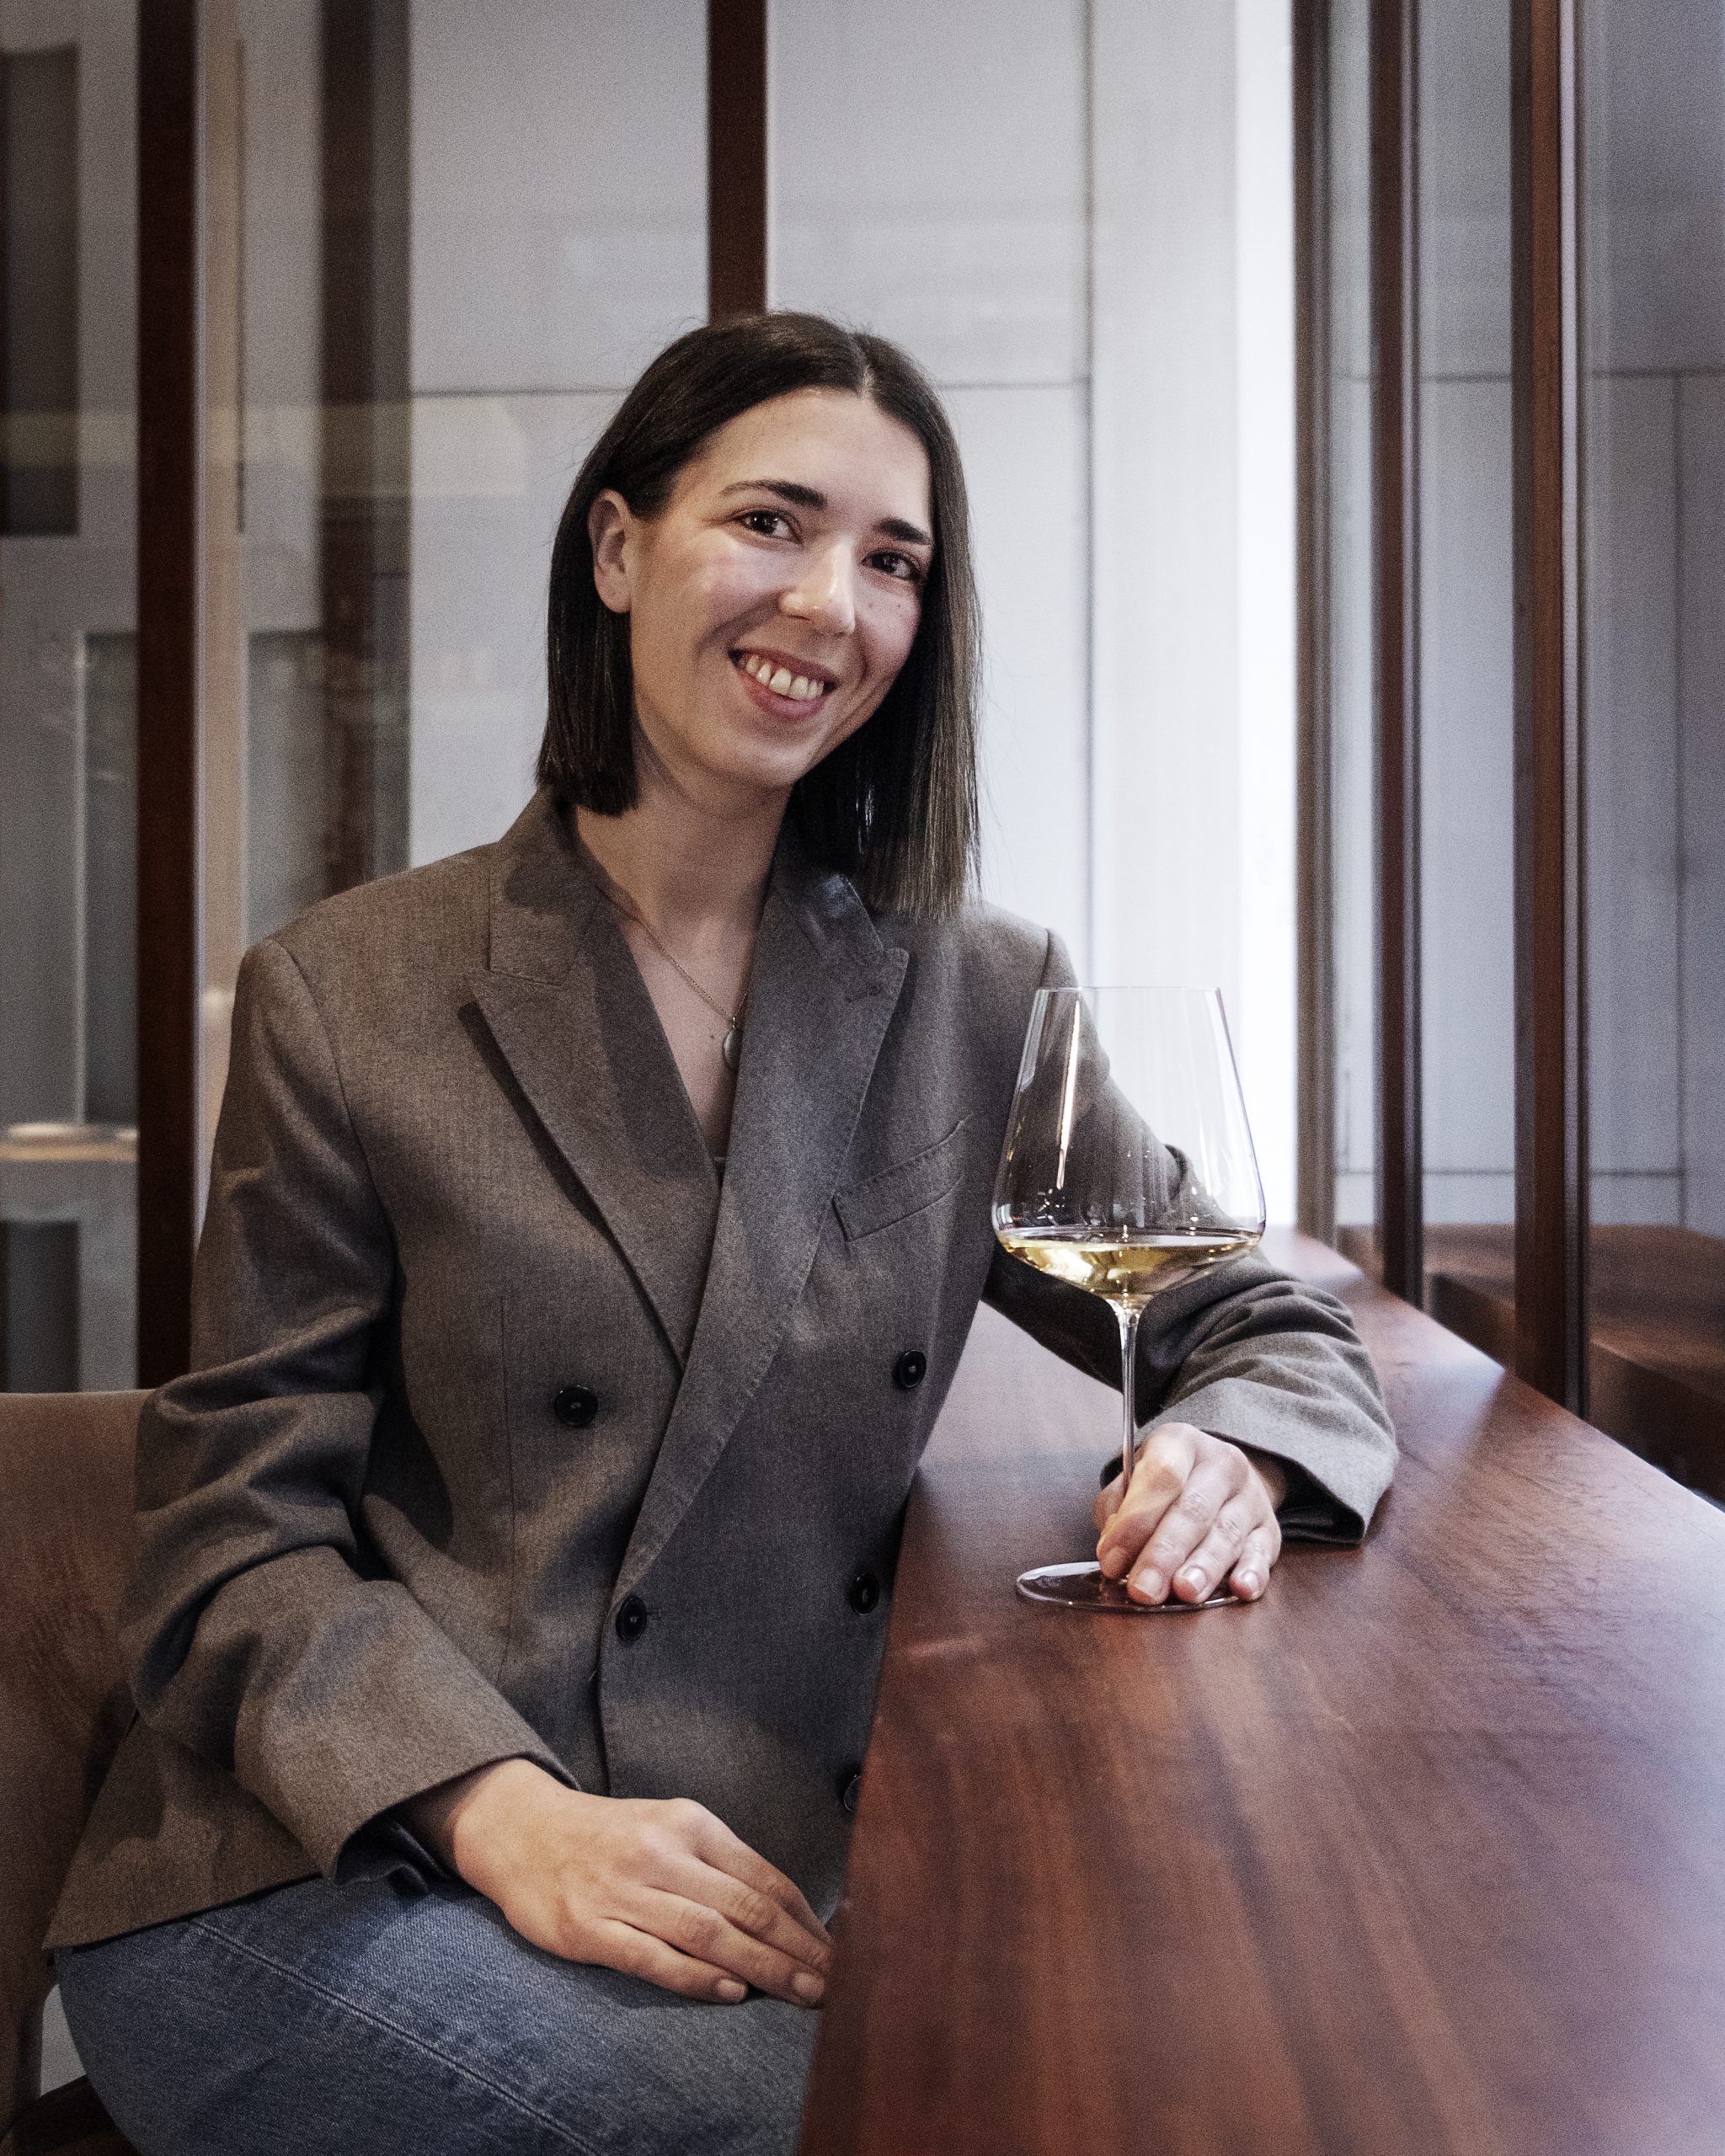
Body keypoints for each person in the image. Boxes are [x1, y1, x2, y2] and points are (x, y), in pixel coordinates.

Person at [51, 312, 1395, 2154]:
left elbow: (1257, 1314)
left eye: (893, 560)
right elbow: (229, 1540)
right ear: (617, 550)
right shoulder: (349, 993)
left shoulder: (970, 992)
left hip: (749, 1881)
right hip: (341, 1865)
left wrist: (1229, 1442)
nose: (829, 601)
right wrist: (499, 1809)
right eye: (771, 521)